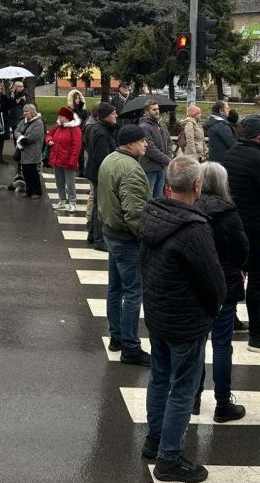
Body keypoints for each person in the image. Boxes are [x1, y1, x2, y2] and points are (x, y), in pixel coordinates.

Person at [140, 155, 226, 483]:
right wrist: (215, 306)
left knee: (160, 378)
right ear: (197, 185)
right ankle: (170, 458)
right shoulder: (194, 228)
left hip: (158, 312)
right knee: (183, 389)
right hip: (186, 319)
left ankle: (154, 439)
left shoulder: (152, 214)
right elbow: (213, 280)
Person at [192, 162, 249, 423]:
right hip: (225, 283)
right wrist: (241, 268)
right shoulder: (229, 212)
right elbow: (242, 249)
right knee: (222, 345)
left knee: (197, 343)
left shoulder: (191, 208)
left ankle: (193, 398)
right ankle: (222, 403)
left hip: (197, 284)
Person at [222, 115, 260, 354]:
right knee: (257, 282)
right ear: (259, 135)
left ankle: (231, 319)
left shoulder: (231, 155)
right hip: (257, 228)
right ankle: (257, 335)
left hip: (234, 225)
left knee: (235, 273)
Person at [98, 124, 152, 366]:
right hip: (126, 238)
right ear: (130, 144)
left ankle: (117, 336)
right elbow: (135, 213)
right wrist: (146, 238)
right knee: (133, 292)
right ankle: (130, 346)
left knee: (115, 288)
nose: (145, 144)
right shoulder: (131, 169)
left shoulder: (110, 159)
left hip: (111, 231)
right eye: (142, 141)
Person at [82, 103, 118, 251]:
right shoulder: (101, 132)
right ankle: (99, 239)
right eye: (113, 113)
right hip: (100, 174)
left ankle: (92, 235)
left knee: (98, 204)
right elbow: (103, 158)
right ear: (105, 116)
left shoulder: (100, 128)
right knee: (101, 207)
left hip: (96, 173)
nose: (116, 115)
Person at [46, 106, 83, 211]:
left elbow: (77, 147)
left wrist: (73, 161)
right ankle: (61, 200)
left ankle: (72, 202)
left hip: (68, 161)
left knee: (70, 183)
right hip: (57, 159)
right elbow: (49, 135)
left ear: (67, 117)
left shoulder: (75, 129)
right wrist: (49, 140)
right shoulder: (57, 127)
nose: (59, 117)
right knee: (59, 182)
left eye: (61, 116)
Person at [138, 100, 172, 198]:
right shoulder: (144, 126)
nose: (157, 111)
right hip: (150, 167)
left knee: (159, 197)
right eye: (154, 109)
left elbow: (169, 142)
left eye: (158, 109)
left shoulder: (162, 125)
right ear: (146, 111)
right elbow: (150, 148)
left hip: (161, 167)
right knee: (149, 196)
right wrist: (166, 159)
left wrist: (168, 156)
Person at [15, 105, 46, 198]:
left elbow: (35, 136)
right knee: (25, 172)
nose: (25, 113)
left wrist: (25, 139)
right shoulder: (23, 122)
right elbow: (16, 131)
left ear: (32, 112)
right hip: (23, 150)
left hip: (33, 150)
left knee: (33, 172)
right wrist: (21, 137)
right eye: (24, 111)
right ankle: (29, 191)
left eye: (27, 111)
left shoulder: (38, 123)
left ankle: (37, 191)